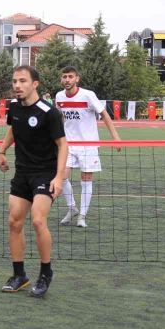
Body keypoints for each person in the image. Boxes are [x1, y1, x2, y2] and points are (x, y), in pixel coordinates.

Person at [0, 66, 67, 298]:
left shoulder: (50, 112)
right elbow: (14, 129)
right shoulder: (14, 107)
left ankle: (45, 273)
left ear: (35, 84)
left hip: (45, 174)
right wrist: (2, 150)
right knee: (14, 222)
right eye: (15, 81)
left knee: (38, 220)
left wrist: (59, 177)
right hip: (22, 174)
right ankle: (20, 275)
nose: (17, 85)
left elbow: (62, 145)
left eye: (23, 81)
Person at [55, 66, 121, 228]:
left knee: (86, 179)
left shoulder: (88, 95)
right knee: (62, 176)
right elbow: (60, 118)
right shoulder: (59, 96)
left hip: (88, 145)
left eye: (71, 76)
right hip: (68, 144)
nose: (67, 80)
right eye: (64, 77)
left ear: (77, 78)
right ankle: (72, 208)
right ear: (61, 80)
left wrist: (115, 137)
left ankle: (82, 215)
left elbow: (104, 115)